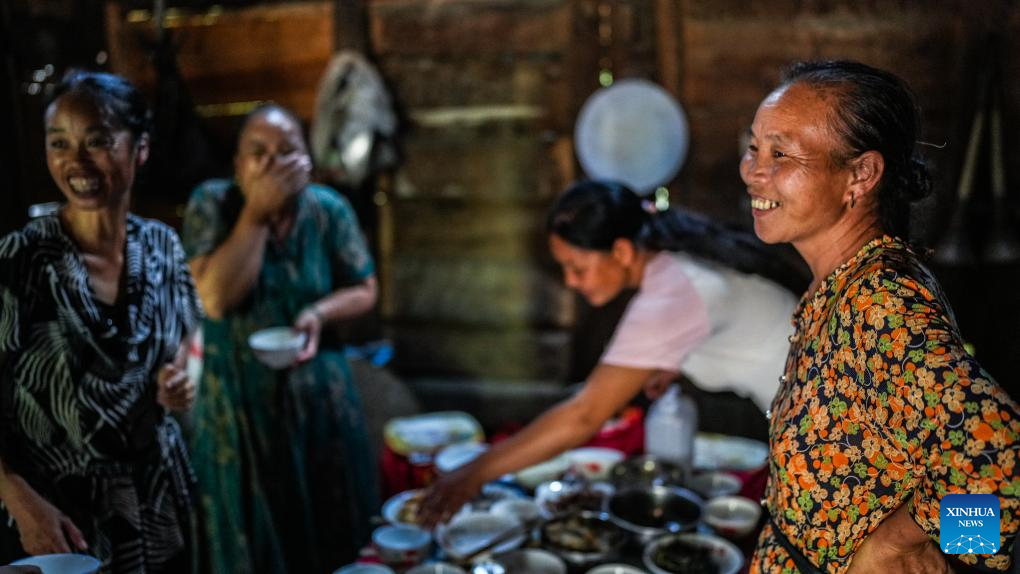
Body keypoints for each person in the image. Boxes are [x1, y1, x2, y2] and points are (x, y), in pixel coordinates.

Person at [741, 59, 1020, 574]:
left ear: (861, 174)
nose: (754, 170)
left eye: (782, 153)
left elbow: (1005, 475)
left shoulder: (883, 304)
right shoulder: (844, 281)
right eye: (755, 147)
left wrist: (904, 545)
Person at [419, 179, 801, 525]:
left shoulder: (672, 294)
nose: (570, 282)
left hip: (819, 424)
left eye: (577, 267)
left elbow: (585, 414)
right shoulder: (674, 263)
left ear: (620, 251)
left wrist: (472, 474)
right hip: (807, 409)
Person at [0, 70, 202, 572]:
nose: (76, 161)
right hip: (55, 518)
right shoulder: (21, 261)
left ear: (141, 148)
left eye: (98, 141)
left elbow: (188, 343)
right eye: (59, 143)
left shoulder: (162, 246)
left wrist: (182, 378)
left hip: (158, 506)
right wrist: (17, 499)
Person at [181, 103, 379, 573]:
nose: (273, 163)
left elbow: (365, 288)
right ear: (237, 164)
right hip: (238, 412)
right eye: (259, 153)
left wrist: (318, 312)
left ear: (307, 159)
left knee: (332, 541)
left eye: (287, 150)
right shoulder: (214, 204)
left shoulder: (327, 210)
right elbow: (215, 299)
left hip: (321, 408)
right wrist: (256, 214)